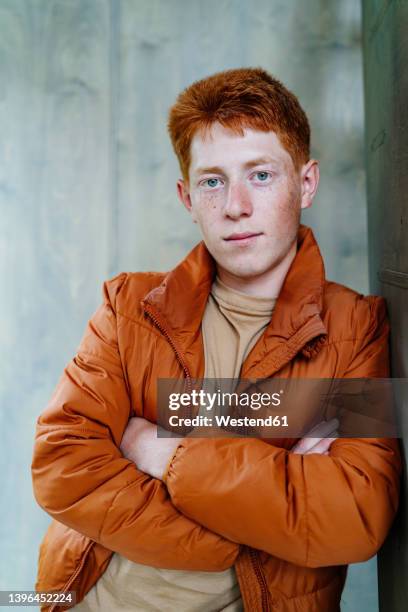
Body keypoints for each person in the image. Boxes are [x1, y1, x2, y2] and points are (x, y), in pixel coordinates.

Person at [31, 67, 401, 612]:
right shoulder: (128, 307)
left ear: (307, 183)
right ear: (187, 196)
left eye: (261, 175)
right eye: (212, 181)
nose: (235, 207)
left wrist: (167, 454)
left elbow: (356, 516)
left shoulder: (356, 329)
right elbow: (62, 466)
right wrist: (256, 521)